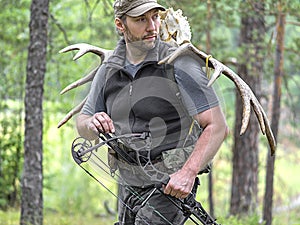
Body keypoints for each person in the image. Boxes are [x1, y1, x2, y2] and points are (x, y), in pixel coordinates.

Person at [76, 0, 229, 224]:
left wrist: (188, 173)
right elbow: (83, 123)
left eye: (155, 17)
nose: (152, 26)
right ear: (121, 24)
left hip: (170, 183)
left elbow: (217, 126)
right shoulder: (107, 71)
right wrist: (92, 124)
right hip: (128, 181)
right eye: (141, 20)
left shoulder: (180, 63)